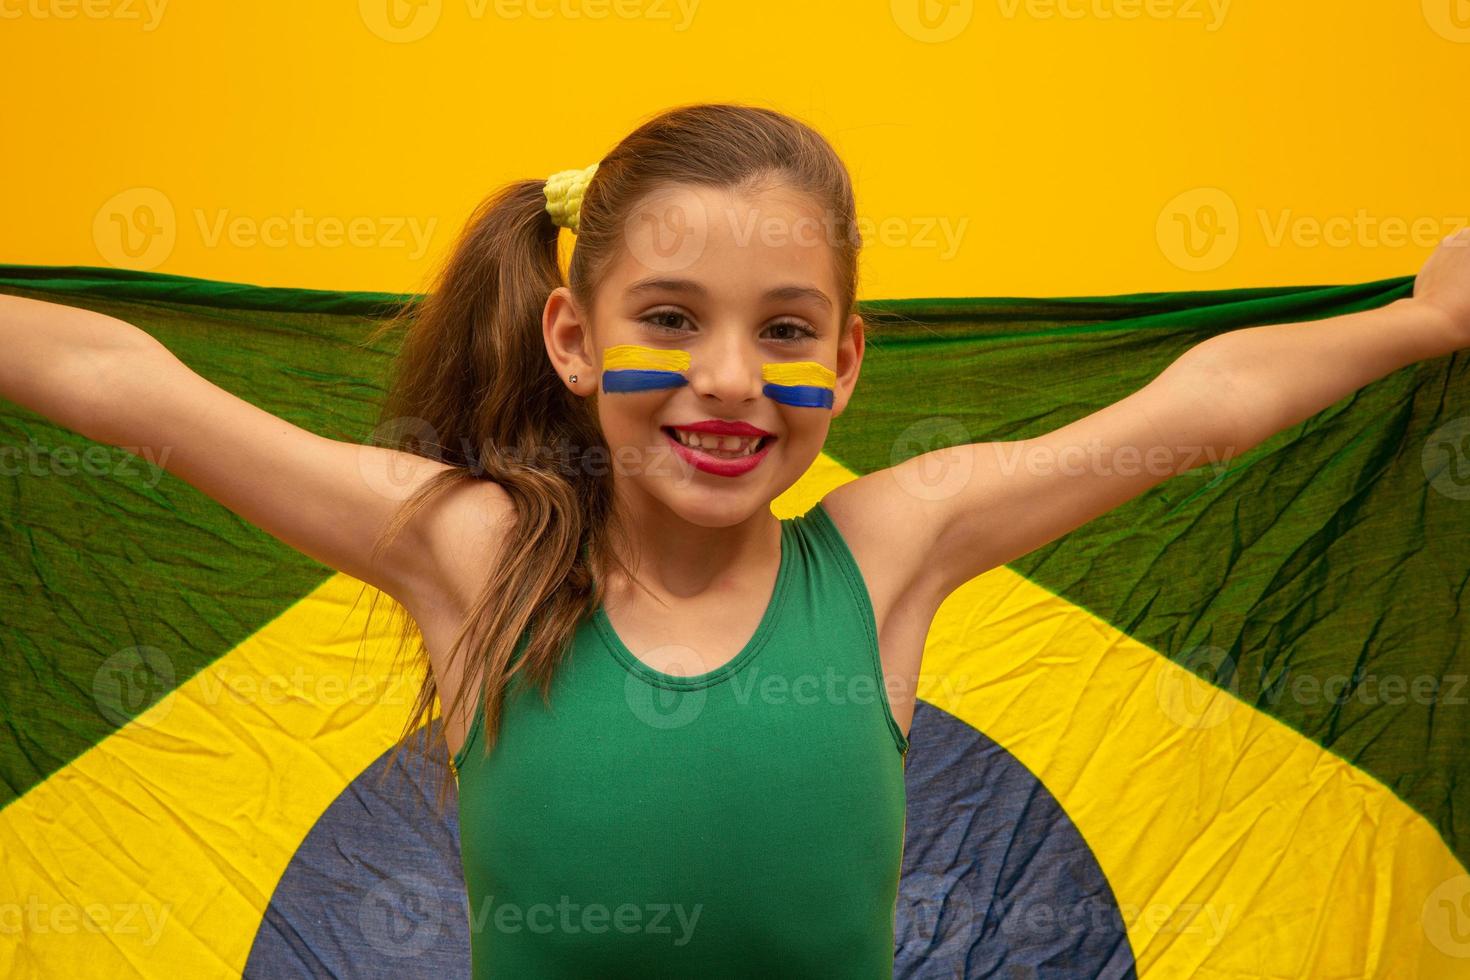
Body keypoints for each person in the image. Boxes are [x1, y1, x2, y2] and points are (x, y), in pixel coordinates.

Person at [1, 101, 1467, 977]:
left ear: (842, 364)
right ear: (571, 336)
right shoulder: (472, 556)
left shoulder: (890, 550)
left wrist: (1422, 321)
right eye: (669, 322)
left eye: (782, 333)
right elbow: (138, 393)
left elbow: (1198, 406)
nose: (725, 381)